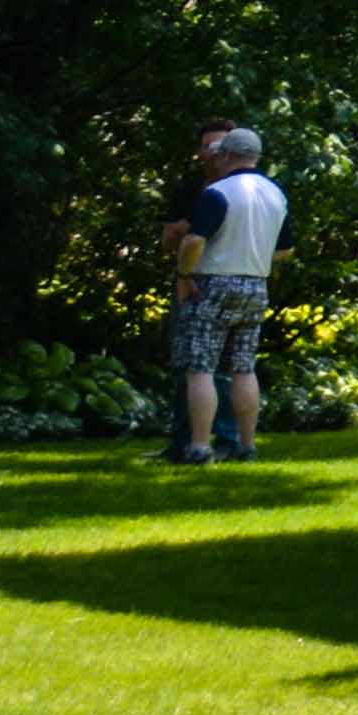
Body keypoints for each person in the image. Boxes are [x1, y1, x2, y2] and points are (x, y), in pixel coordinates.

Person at [156, 125, 285, 466]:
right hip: (256, 284)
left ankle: (199, 447)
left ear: (226, 155)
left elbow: (194, 241)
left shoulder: (219, 192)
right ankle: (246, 445)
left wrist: (185, 275)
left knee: (200, 368)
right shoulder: (275, 194)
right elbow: (285, 250)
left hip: (213, 284)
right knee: (244, 369)